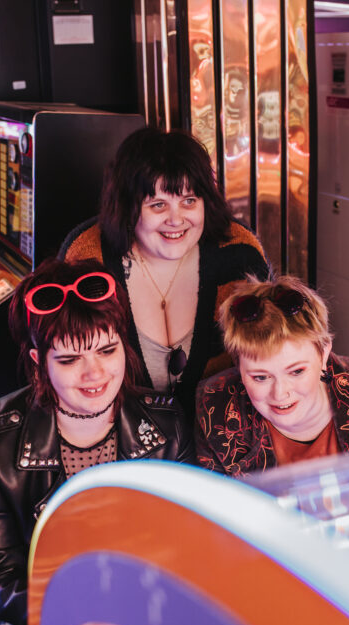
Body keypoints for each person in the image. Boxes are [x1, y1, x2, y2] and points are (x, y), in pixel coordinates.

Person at [0, 259, 194, 625]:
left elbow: (187, 546)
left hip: (144, 613)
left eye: (107, 349)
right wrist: (86, 617)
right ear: (37, 360)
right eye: (69, 360)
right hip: (32, 622)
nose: (95, 373)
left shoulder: (167, 424)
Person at [59, 126, 270, 415]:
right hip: (124, 440)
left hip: (223, 439)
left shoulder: (238, 252)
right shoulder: (88, 258)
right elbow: (63, 364)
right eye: (158, 205)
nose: (176, 219)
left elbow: (269, 352)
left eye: (189, 201)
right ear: (127, 208)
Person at [196, 275, 349, 476]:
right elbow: (212, 515)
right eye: (260, 377)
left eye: (296, 371)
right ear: (239, 367)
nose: (280, 393)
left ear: (323, 354)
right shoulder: (215, 408)